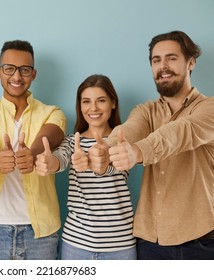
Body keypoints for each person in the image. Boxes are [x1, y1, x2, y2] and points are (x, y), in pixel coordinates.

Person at [90, 31, 214, 259]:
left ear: (191, 62)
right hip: (150, 241)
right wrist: (105, 151)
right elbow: (129, 130)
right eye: (156, 60)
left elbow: (180, 132)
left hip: (201, 242)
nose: (163, 66)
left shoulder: (209, 108)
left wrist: (137, 151)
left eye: (171, 58)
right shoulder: (145, 111)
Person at [0, 40, 66, 260]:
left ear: (34, 74)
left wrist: (32, 153)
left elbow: (52, 135)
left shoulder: (53, 112)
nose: (17, 77)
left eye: (25, 70)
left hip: (40, 234)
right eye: (9, 69)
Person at [35, 74, 136, 260]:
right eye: (86, 101)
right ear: (80, 106)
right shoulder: (73, 142)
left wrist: (100, 163)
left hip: (120, 245)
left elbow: (118, 166)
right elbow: (60, 159)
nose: (93, 108)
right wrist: (50, 163)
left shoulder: (123, 141)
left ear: (113, 103)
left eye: (101, 101)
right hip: (76, 245)